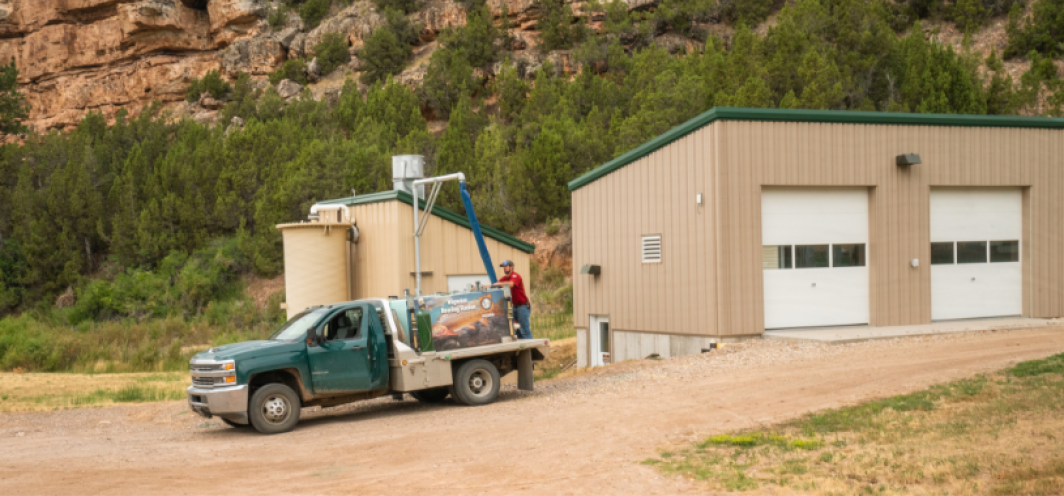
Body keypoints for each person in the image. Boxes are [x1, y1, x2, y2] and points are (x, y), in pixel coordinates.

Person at [491, 260, 532, 340]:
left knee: (524, 330)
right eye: (503, 267)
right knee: (516, 330)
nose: (504, 268)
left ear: (511, 267)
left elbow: (511, 284)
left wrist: (499, 284)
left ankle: (530, 348)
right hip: (514, 307)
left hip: (522, 306)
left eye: (506, 266)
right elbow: (495, 285)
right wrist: (483, 287)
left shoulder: (515, 276)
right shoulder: (505, 278)